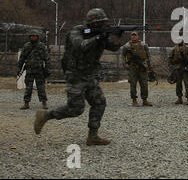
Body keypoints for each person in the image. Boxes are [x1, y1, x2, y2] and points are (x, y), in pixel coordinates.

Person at [34, 8, 122, 146]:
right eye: (99, 23)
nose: (102, 25)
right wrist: (99, 37)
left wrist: (116, 37)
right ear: (91, 23)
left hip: (89, 75)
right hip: (75, 74)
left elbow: (114, 47)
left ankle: (93, 136)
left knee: (99, 102)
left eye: (103, 23)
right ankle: (45, 115)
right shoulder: (76, 32)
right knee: (75, 109)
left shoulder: (100, 34)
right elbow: (81, 45)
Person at [17, 29, 50, 110]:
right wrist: (19, 68)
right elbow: (22, 58)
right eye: (31, 36)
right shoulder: (27, 46)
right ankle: (26, 103)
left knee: (41, 87)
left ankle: (44, 103)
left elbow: (47, 59)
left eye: (34, 36)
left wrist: (47, 69)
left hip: (39, 70)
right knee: (28, 87)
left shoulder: (42, 46)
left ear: (37, 37)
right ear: (29, 37)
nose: (33, 37)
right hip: (29, 70)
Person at [121, 31, 154, 107]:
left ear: (138, 36)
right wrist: (125, 64)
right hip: (132, 67)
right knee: (133, 84)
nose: (133, 37)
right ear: (130, 36)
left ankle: (144, 100)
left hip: (142, 67)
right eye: (132, 35)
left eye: (135, 35)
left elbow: (148, 56)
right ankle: (134, 100)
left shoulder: (143, 45)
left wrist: (149, 66)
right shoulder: (127, 46)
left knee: (144, 84)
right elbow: (123, 56)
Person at [169, 39, 188, 105]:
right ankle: (179, 98)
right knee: (178, 84)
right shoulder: (174, 49)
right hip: (178, 69)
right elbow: (170, 59)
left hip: (185, 69)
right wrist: (174, 64)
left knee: (187, 84)